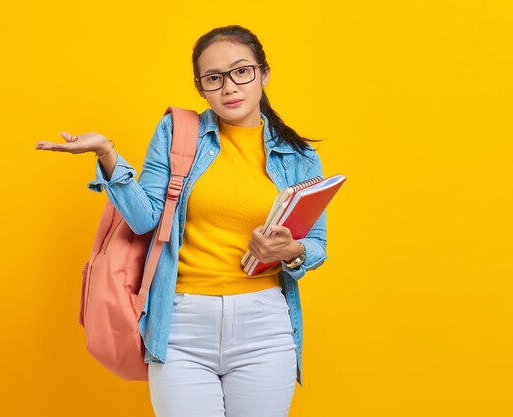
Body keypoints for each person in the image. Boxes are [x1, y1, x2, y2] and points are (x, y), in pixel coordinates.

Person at [36, 24, 327, 417]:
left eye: (241, 71)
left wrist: (291, 251)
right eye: (214, 78)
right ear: (200, 87)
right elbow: (144, 220)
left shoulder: (299, 156)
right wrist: (107, 155)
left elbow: (316, 248)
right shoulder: (178, 132)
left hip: (264, 328)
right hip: (181, 326)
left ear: (264, 73)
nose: (229, 87)